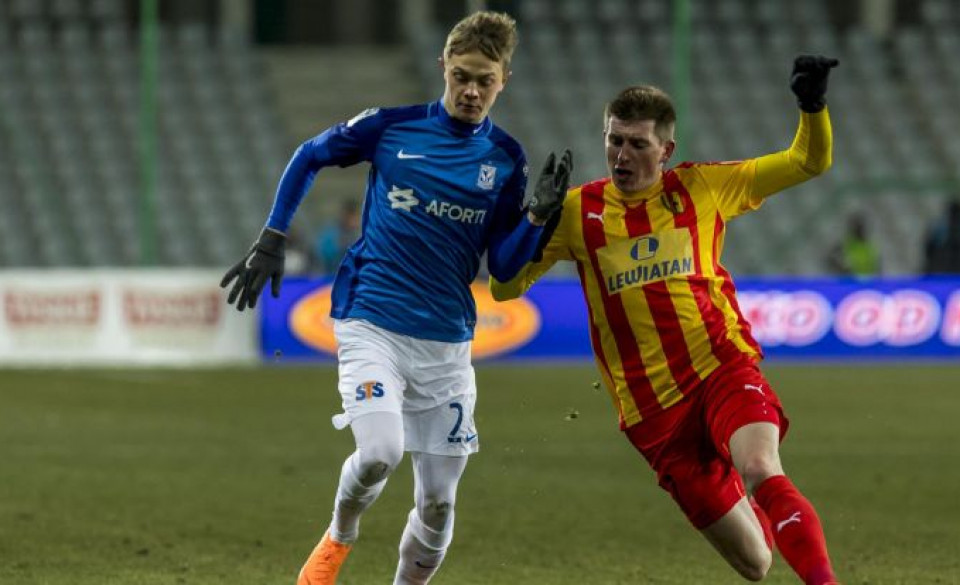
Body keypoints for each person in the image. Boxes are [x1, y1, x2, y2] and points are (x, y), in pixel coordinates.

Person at [220, 11, 571, 585]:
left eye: (484, 80)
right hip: (372, 319)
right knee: (381, 451)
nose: (471, 91)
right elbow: (309, 154)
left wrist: (536, 217)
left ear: (504, 79)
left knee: (439, 503)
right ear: (443, 66)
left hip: (447, 342)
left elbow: (504, 267)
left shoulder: (506, 159)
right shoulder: (392, 127)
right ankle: (339, 535)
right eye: (461, 76)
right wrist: (273, 236)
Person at [491, 56, 841, 584]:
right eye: (614, 140)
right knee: (756, 563)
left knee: (760, 466)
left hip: (720, 366)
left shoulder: (703, 187)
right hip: (653, 413)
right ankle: (754, 502)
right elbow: (504, 288)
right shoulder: (577, 213)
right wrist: (535, 218)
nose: (621, 154)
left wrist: (811, 106)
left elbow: (807, 162)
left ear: (666, 150)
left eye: (637, 144)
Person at [825, 212, 881, 277]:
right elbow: (830, 258)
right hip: (849, 280)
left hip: (867, 280)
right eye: (856, 228)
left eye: (860, 228)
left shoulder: (871, 247)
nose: (859, 230)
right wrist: (841, 268)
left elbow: (877, 270)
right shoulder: (846, 244)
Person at [312, 200, 360, 274]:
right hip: (331, 275)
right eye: (353, 217)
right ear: (345, 216)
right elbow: (325, 255)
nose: (356, 221)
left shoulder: (357, 235)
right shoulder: (331, 233)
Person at [922, 199, 960, 274]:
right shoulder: (940, 228)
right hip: (943, 268)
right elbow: (929, 248)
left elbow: (928, 249)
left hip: (939, 269)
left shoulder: (939, 227)